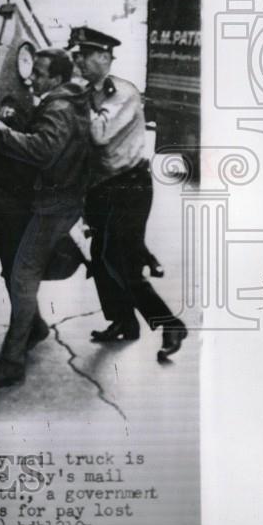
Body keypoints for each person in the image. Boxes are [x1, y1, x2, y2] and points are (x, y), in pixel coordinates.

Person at [0, 47, 90, 386]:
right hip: (64, 199)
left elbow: (43, 150)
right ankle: (36, 328)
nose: (32, 77)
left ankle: (11, 362)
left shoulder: (57, 106)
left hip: (53, 204)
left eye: (40, 73)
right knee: (18, 266)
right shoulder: (71, 101)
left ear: (56, 77)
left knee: (22, 276)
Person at [72, 27, 187, 361]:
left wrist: (77, 106)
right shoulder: (86, 91)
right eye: (77, 53)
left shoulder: (122, 92)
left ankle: (171, 324)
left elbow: (99, 133)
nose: (79, 59)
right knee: (101, 257)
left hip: (129, 186)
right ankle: (124, 322)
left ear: (106, 57)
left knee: (122, 261)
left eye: (86, 53)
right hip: (100, 188)